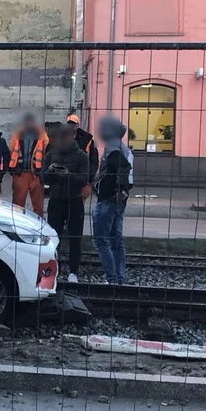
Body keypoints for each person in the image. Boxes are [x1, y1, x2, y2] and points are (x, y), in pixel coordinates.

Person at [43, 122, 89, 283]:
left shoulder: (82, 156)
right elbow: (42, 178)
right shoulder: (50, 155)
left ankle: (73, 271)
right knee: (54, 238)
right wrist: (49, 172)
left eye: (66, 136)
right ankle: (54, 269)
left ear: (73, 136)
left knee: (75, 238)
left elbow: (84, 180)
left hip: (75, 201)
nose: (62, 140)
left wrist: (68, 175)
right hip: (56, 201)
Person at [92, 116, 134, 285]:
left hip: (108, 199)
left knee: (100, 240)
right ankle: (119, 277)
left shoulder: (113, 147)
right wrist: (124, 190)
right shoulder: (124, 148)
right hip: (118, 200)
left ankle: (112, 278)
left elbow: (124, 167)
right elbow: (127, 172)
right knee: (116, 240)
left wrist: (118, 189)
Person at [8, 113, 48, 216]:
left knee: (38, 206)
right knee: (17, 205)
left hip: (36, 174)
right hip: (20, 173)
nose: (29, 124)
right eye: (27, 122)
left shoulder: (42, 135)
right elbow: (12, 150)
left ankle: (39, 226)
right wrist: (13, 170)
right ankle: (16, 223)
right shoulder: (17, 134)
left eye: (31, 122)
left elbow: (47, 152)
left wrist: (42, 172)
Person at [67, 113, 99, 200]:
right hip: (65, 180)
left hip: (82, 179)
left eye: (73, 124)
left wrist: (88, 179)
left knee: (78, 206)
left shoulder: (87, 140)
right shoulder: (62, 138)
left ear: (77, 125)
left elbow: (94, 161)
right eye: (69, 124)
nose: (70, 126)